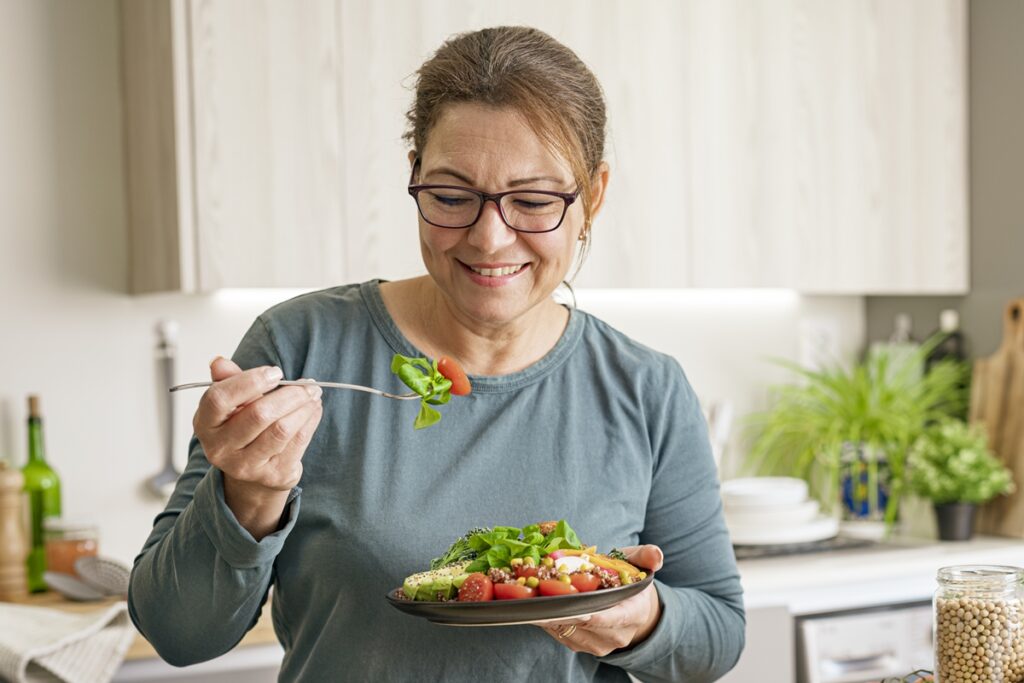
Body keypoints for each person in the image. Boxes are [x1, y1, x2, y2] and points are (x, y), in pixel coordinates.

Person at [128, 26, 745, 682]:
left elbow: (719, 634)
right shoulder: (300, 347)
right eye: (451, 197)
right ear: (415, 176)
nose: (489, 238)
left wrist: (642, 620)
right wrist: (248, 494)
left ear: (592, 197)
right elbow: (176, 631)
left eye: (533, 201)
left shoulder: (646, 388)